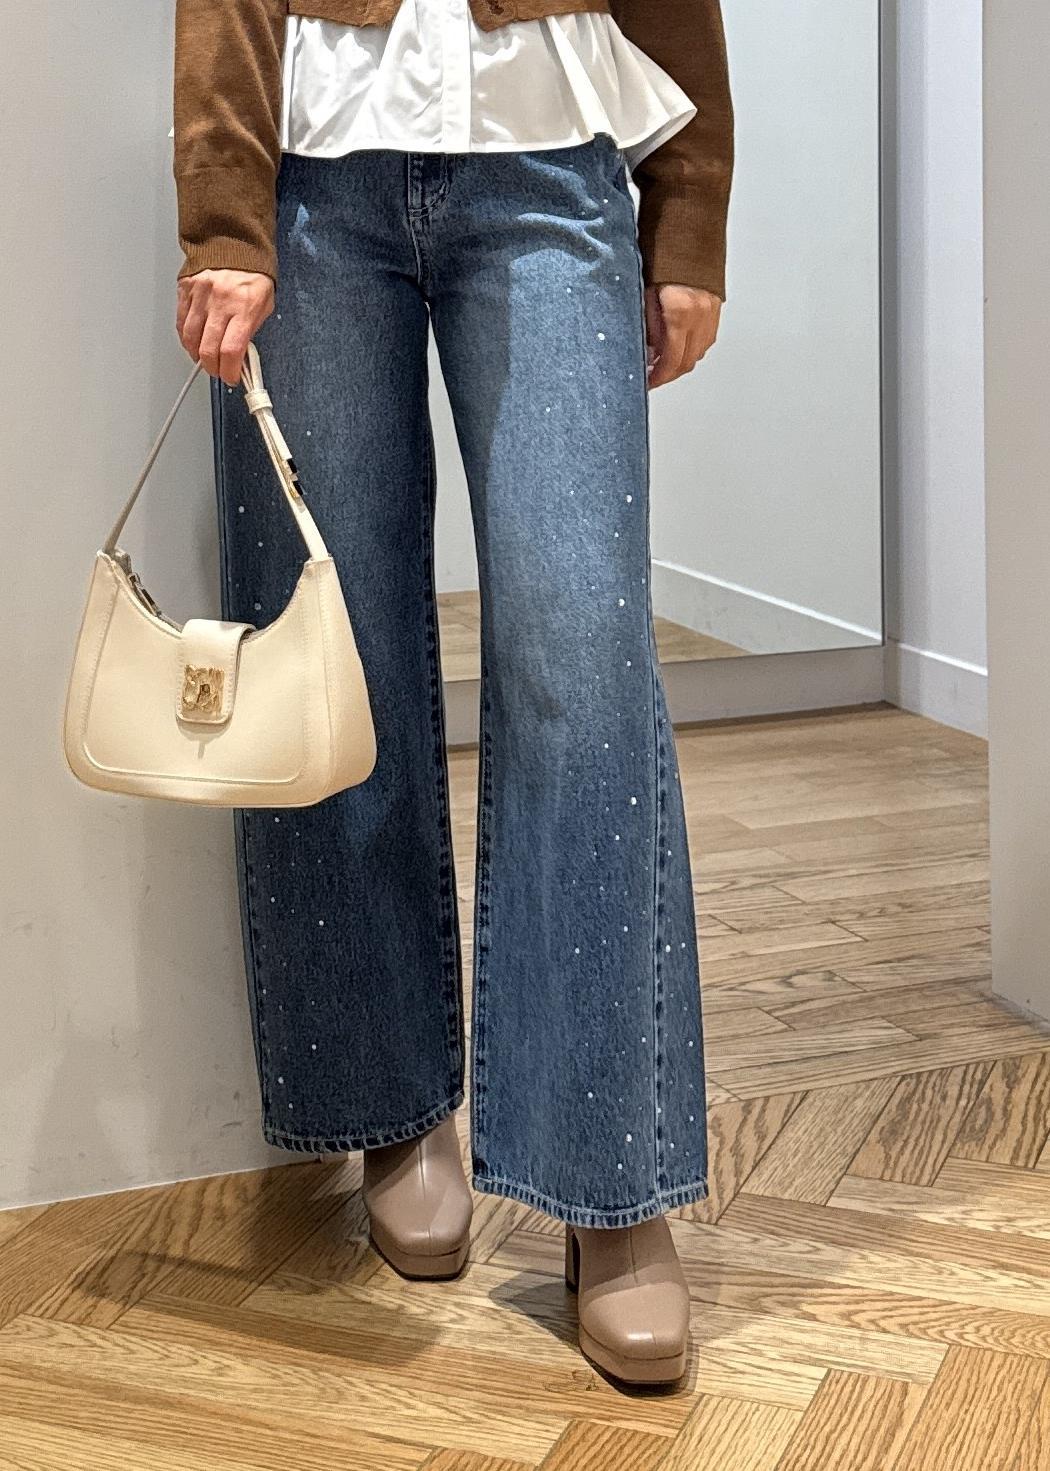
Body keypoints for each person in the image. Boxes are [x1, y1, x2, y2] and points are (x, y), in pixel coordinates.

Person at [172, 0, 733, 1385]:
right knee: (335, 650)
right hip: (316, 184)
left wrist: (688, 214)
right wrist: (226, 215)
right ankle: (386, 1101)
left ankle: (611, 1177)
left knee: (582, 660)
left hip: (549, 163)